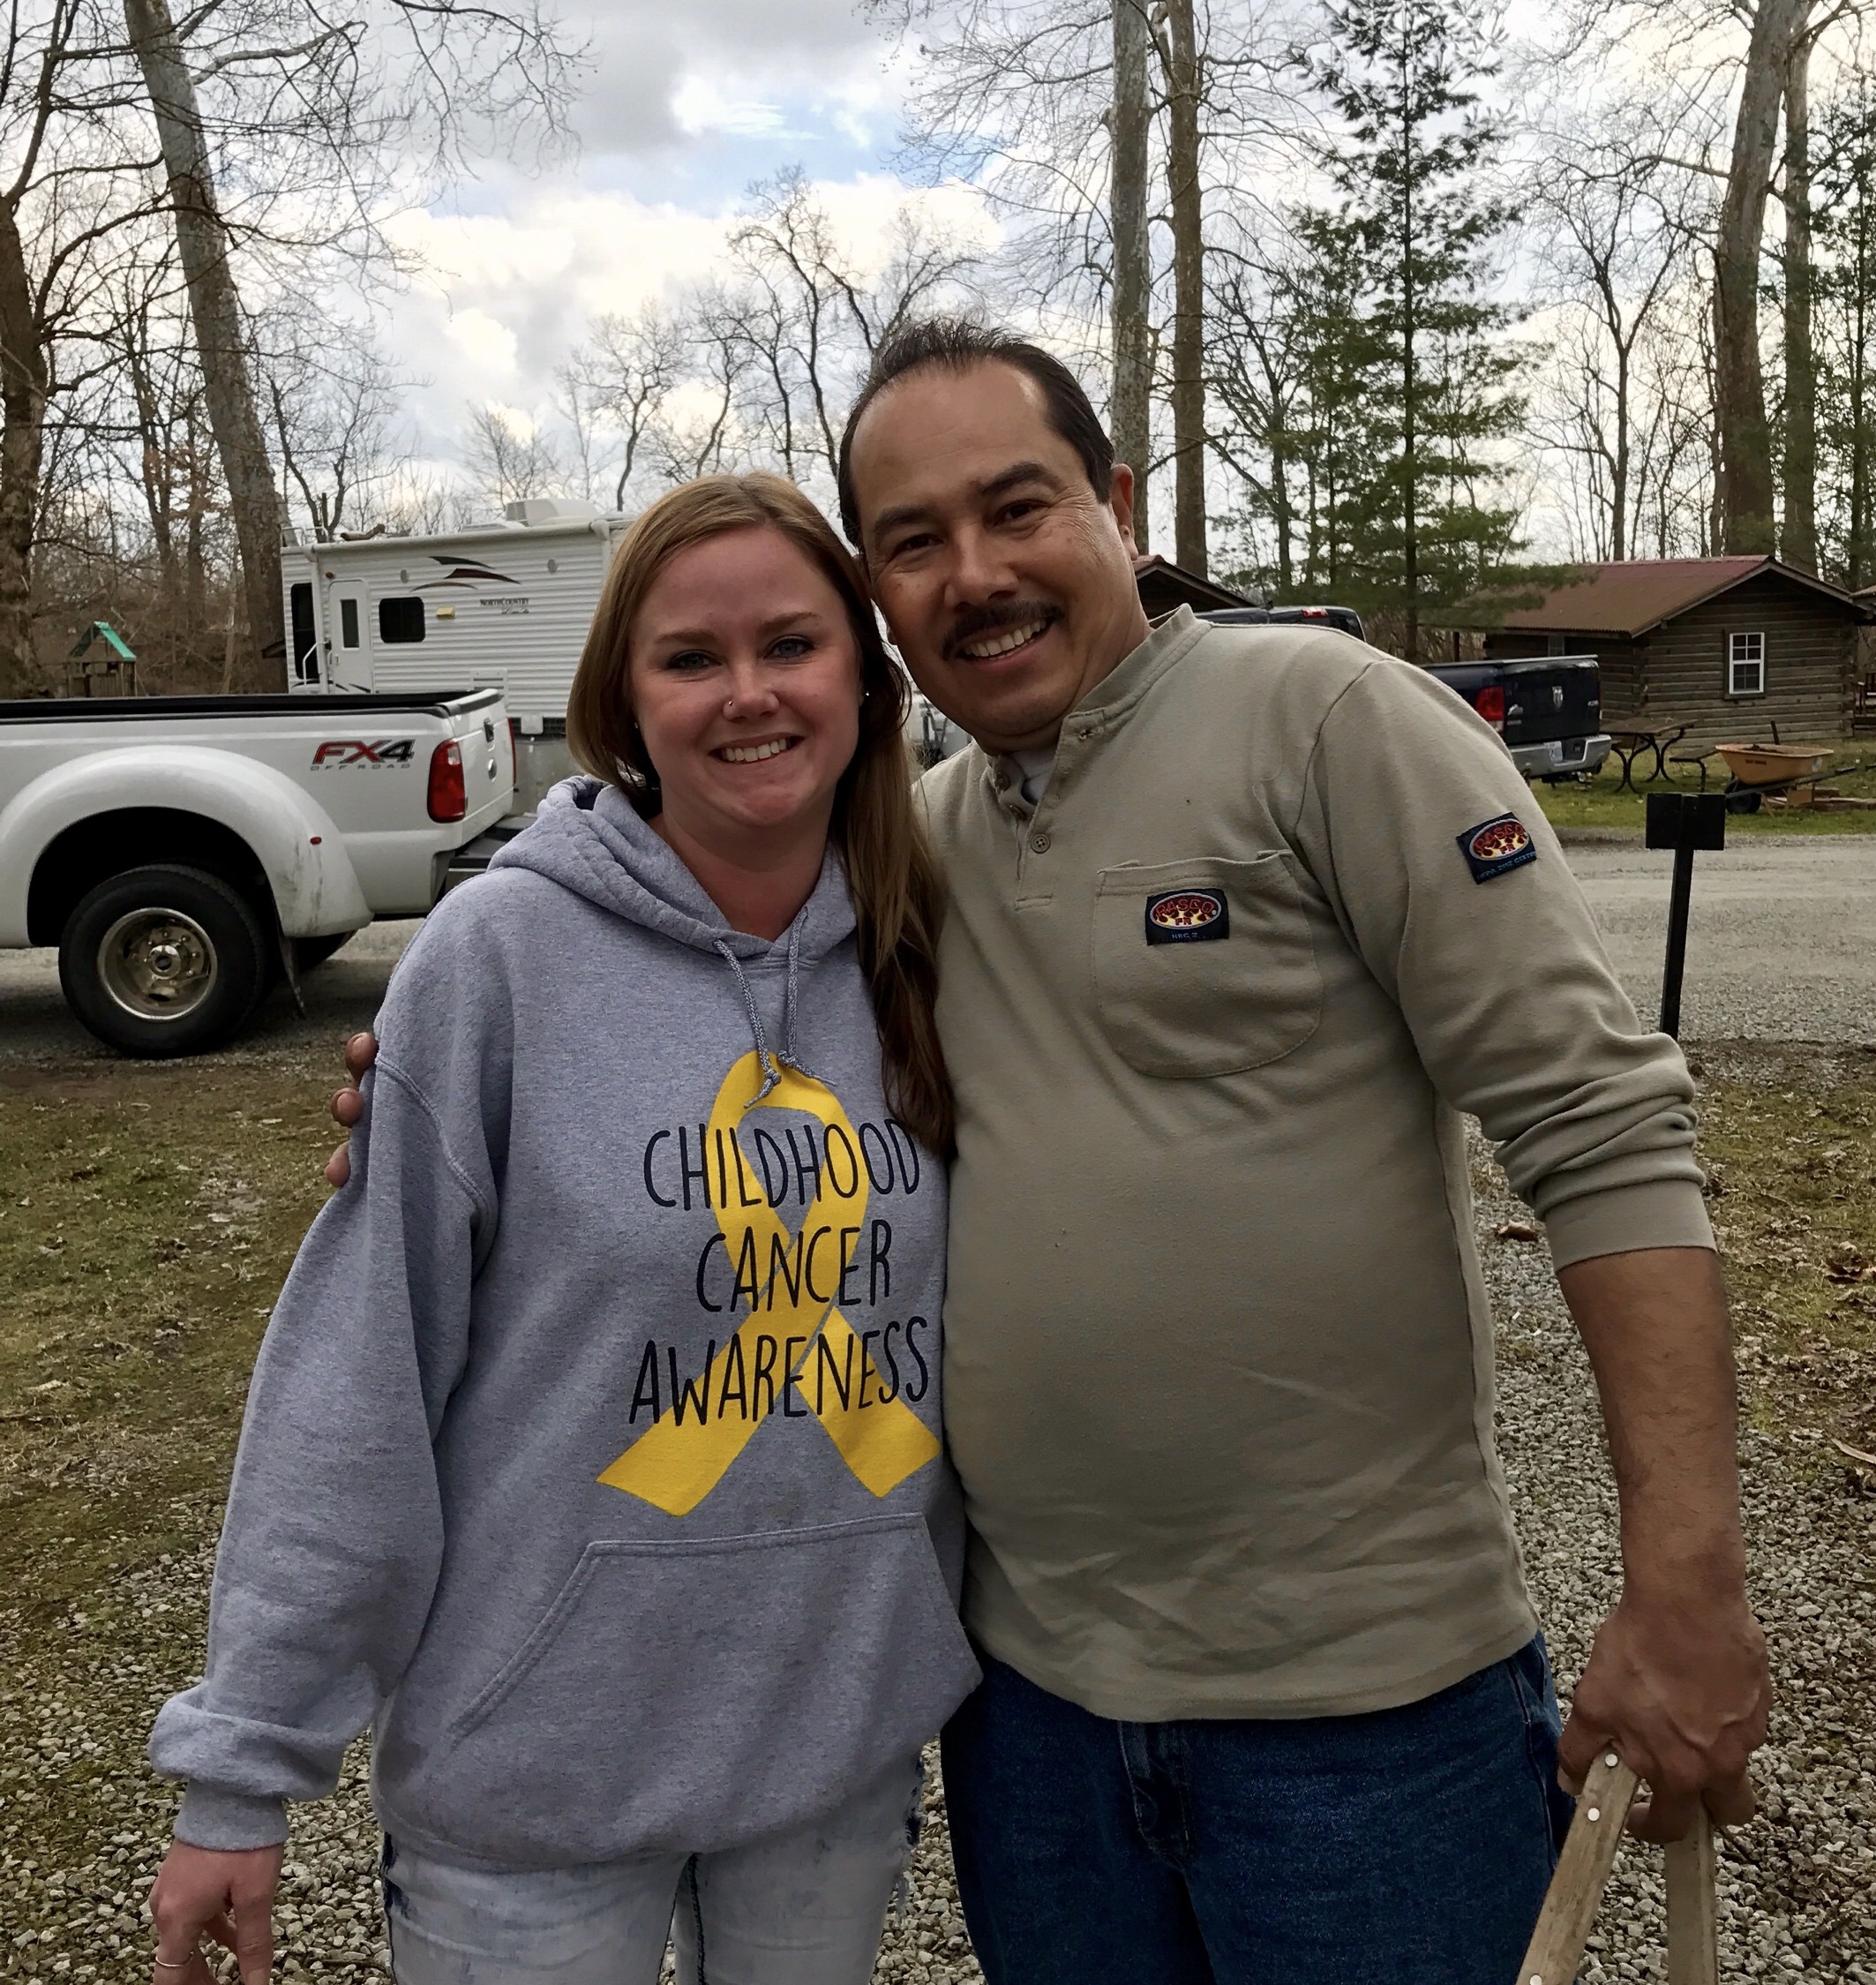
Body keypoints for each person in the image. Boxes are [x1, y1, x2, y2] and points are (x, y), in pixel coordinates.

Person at [333, 321, 1772, 1983]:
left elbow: (1599, 1124)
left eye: (1017, 507)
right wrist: (442, 1076)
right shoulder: (910, 854)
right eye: (913, 541)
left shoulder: (1328, 722)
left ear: (1118, 504)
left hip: (1364, 1716)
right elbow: (685, 1003)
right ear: (878, 598)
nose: (976, 574)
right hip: (1034, 1724)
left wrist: (1684, 1587)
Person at [145, 473, 979, 1985]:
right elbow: (359, 1372)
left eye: (792, 643)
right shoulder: (499, 955)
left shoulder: (936, 943)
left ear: (864, 677)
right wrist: (243, 1762)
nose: (748, 693)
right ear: (623, 698)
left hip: (829, 1759)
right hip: (531, 1777)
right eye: (690, 656)